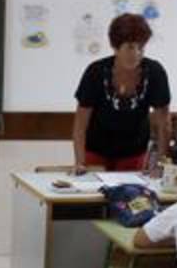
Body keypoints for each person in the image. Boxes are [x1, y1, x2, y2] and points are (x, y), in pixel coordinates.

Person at [72, 13, 171, 173]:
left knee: (129, 195)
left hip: (134, 150)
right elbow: (80, 124)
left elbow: (164, 123)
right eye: (131, 47)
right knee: (92, 192)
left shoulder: (154, 72)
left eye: (141, 47)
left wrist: (161, 163)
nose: (137, 53)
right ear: (116, 47)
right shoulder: (95, 72)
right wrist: (79, 163)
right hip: (95, 148)